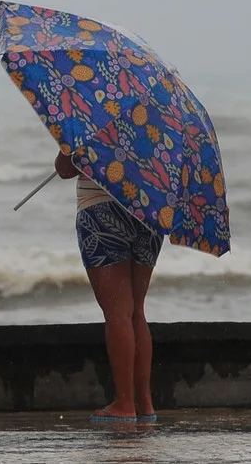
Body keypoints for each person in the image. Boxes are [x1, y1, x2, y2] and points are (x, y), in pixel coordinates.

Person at [55, 150, 163, 424]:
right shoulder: (152, 115)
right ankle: (144, 403)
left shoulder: (92, 112)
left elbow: (66, 169)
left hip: (101, 208)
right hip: (149, 210)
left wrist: (65, 155)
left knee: (117, 312)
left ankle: (125, 404)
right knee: (136, 310)